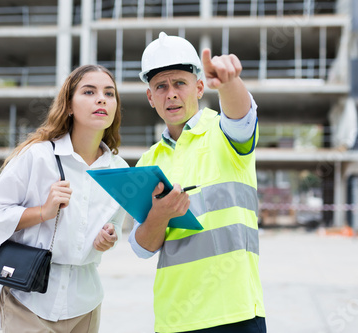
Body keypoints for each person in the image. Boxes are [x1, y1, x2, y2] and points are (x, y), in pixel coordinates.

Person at [128, 32, 266, 333]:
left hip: (235, 313)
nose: (171, 94)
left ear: (200, 87)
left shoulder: (224, 133)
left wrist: (229, 82)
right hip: (173, 318)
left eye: (180, 83)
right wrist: (160, 215)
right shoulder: (147, 162)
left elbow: (242, 118)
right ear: (150, 98)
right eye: (160, 87)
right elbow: (142, 248)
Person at [0, 64, 129, 333]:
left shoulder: (120, 170)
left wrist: (109, 237)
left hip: (86, 305)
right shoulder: (39, 156)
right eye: (89, 91)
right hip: (28, 300)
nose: (101, 99)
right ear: (69, 105)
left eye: (109, 93)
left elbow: (113, 225)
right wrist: (43, 212)